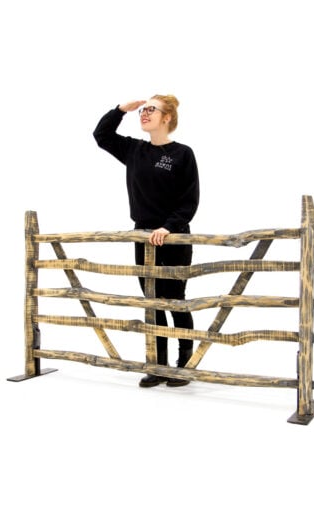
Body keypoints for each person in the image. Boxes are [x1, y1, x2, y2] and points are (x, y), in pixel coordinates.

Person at [93, 95, 200, 387]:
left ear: (167, 117)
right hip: (142, 235)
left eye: (151, 109)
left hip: (174, 236)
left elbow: (189, 200)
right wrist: (120, 110)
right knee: (152, 302)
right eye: (143, 109)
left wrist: (168, 227)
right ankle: (158, 365)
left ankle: (185, 365)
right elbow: (101, 135)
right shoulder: (134, 150)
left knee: (175, 300)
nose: (144, 113)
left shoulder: (182, 154)